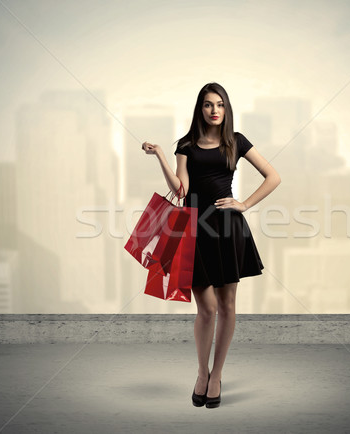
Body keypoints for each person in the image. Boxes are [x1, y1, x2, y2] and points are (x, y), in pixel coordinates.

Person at [141, 82, 281, 408]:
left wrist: (244, 204)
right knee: (206, 309)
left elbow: (273, 176)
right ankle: (201, 373)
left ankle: (217, 375)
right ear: (200, 108)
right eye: (208, 104)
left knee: (228, 306)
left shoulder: (236, 142)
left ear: (226, 108)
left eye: (219, 104)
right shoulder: (186, 146)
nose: (214, 110)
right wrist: (162, 154)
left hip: (228, 227)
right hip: (193, 229)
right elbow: (180, 189)